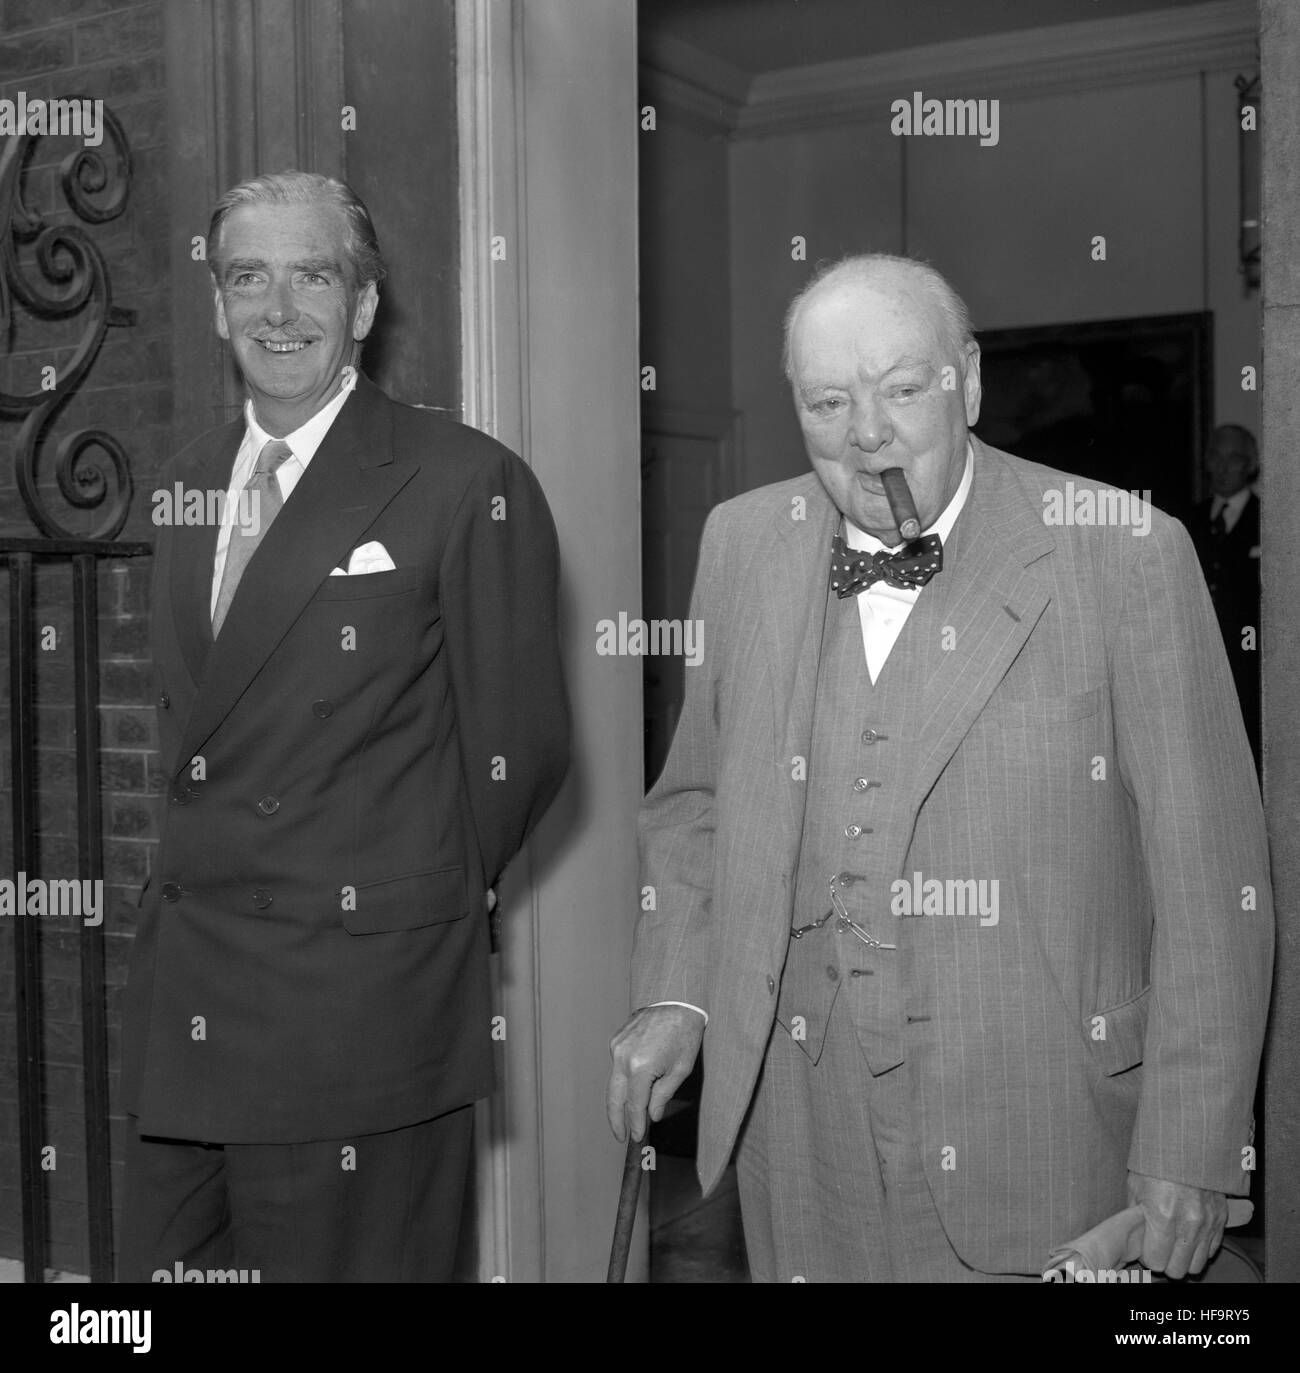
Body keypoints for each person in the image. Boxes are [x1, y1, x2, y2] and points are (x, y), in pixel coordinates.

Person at [607, 254, 1273, 1283]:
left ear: (965, 380)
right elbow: (695, 801)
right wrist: (678, 993)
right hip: (798, 1126)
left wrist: (1192, 1147)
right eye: (829, 401)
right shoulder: (742, 542)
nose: (865, 431)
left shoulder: (1125, 553)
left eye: (901, 387)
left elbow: (1212, 884)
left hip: (1042, 1126)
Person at [119, 170, 568, 1282]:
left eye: (311, 275)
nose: (278, 309)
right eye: (247, 277)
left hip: (360, 1010)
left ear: (363, 305)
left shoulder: (466, 479)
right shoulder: (182, 486)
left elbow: (518, 754)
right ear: (217, 304)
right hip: (191, 1005)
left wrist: (398, 909)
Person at [1191, 424, 1261, 770]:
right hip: (1198, 668)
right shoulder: (1186, 520)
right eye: (1215, 457)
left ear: (1250, 464)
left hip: (1251, 671)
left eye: (1233, 459)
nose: (1222, 468)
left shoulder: (1271, 521)